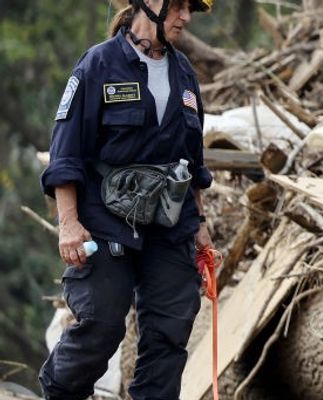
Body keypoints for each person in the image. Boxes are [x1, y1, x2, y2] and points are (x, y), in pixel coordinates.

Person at [39, 0, 214, 398]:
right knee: (101, 323)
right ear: (152, 3)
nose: (186, 18)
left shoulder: (184, 73)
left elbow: (195, 164)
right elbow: (65, 153)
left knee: (169, 333)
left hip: (169, 227)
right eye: (180, 7)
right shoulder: (98, 65)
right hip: (104, 220)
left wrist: (200, 227)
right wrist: (68, 223)